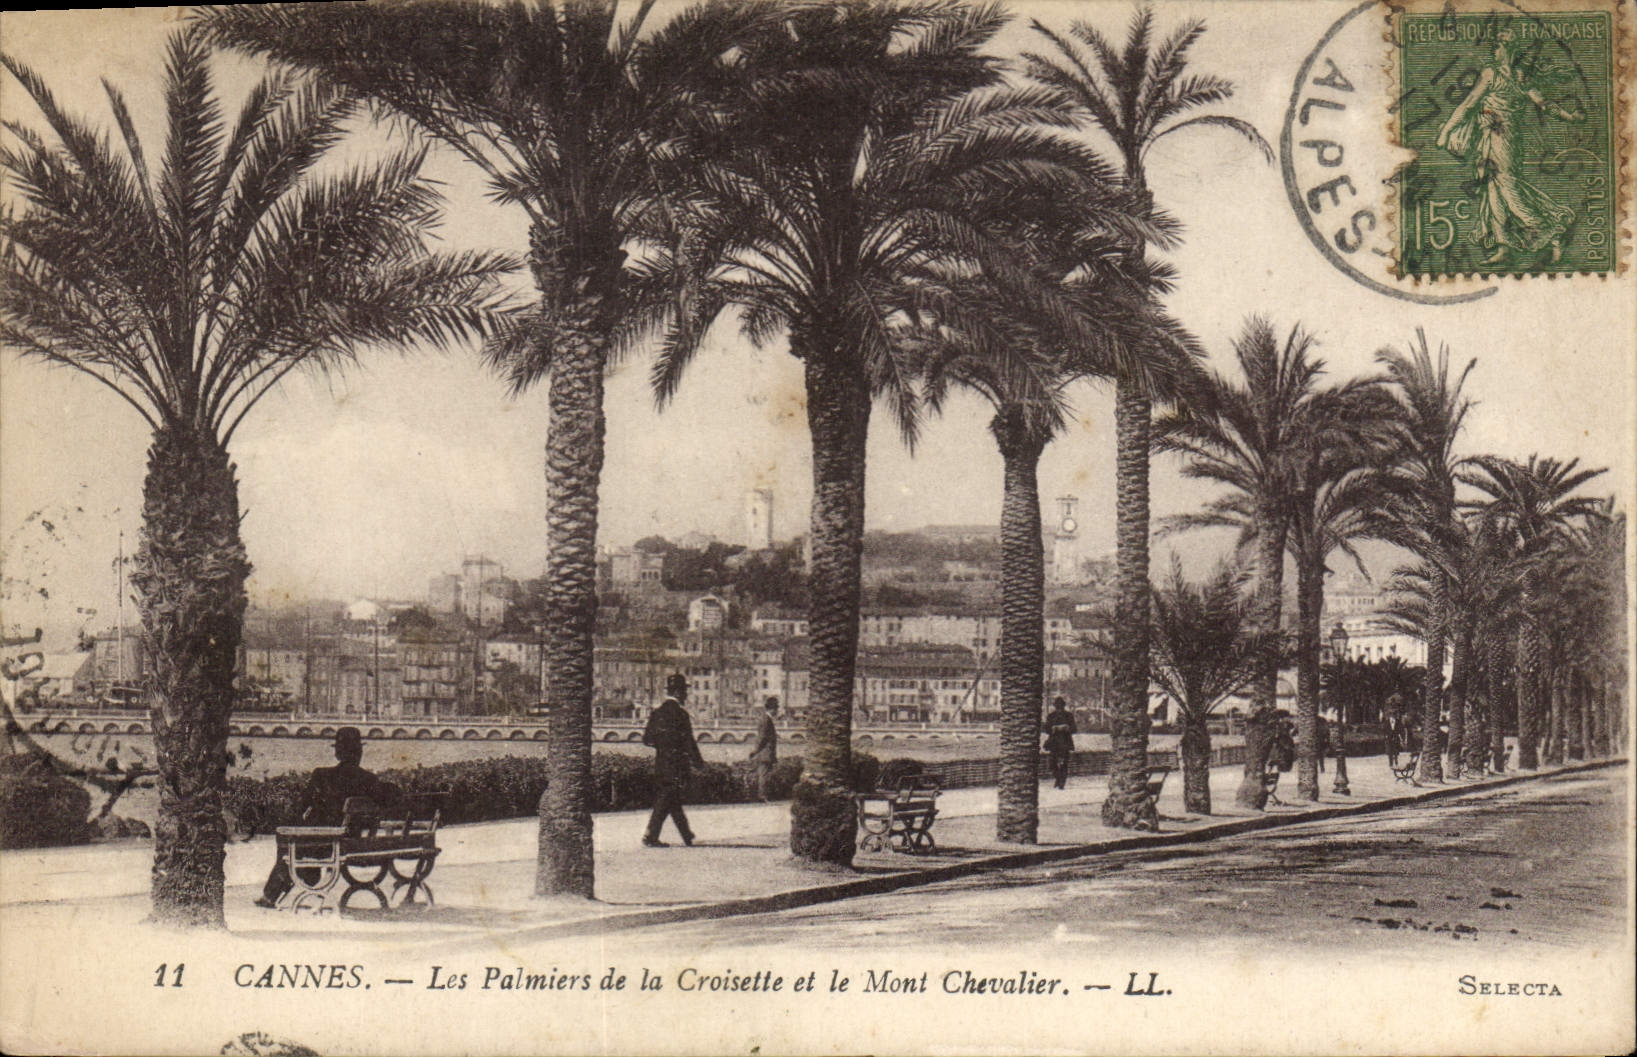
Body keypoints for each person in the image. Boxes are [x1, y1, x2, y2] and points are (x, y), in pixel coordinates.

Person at [1435, 26, 1582, 266]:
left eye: (1498, 45)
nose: (1494, 49)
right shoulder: (1517, 76)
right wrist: (1568, 116)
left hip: (1503, 138)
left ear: (1509, 48)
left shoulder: (1496, 75)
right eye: (1493, 45)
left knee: (1507, 187)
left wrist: (1446, 130)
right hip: (1496, 138)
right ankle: (1504, 245)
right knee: (1494, 189)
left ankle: (1552, 230)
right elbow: (1473, 104)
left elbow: (1471, 103)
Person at [256, 726, 394, 908]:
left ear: (337, 753)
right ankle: (306, 874)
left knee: (287, 836)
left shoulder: (322, 775)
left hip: (321, 844)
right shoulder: (368, 780)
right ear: (359, 753)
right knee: (302, 837)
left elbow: (301, 806)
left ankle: (273, 893)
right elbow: (388, 800)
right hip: (351, 843)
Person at [642, 673, 705, 847]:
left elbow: (647, 739)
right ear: (677, 692)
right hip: (677, 765)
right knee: (666, 798)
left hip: (661, 764)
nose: (686, 694)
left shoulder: (657, 712)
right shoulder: (681, 714)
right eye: (684, 691)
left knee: (672, 799)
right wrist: (698, 763)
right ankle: (650, 835)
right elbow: (689, 742)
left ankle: (686, 834)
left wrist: (663, 746)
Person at [748, 695, 780, 802]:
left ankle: (763, 795)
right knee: (764, 775)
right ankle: (762, 796)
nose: (777, 711)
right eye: (776, 708)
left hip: (766, 752)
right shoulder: (766, 720)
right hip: (765, 753)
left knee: (764, 774)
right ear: (772, 709)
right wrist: (755, 751)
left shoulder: (766, 719)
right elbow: (762, 737)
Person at [1042, 697, 1077, 790]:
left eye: (1061, 706)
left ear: (1063, 706)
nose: (1059, 708)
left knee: (1064, 763)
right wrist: (1054, 728)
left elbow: (1074, 729)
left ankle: (1062, 783)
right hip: (1054, 743)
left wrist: (1067, 727)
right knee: (1052, 763)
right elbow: (1046, 729)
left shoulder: (1069, 716)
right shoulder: (1051, 716)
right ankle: (1058, 778)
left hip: (1065, 742)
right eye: (1057, 706)